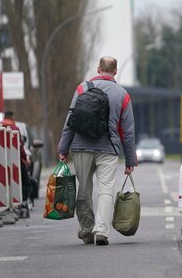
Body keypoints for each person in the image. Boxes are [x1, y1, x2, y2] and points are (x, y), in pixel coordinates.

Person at [58, 56, 137, 246]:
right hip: (108, 148)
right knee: (106, 190)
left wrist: (63, 147)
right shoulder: (122, 94)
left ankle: (87, 230)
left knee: (84, 190)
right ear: (115, 71)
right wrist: (130, 160)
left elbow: (71, 119)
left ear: (98, 69)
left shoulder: (82, 88)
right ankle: (102, 231)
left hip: (81, 146)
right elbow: (127, 131)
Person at [1, 110, 33, 205]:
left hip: (0, 160)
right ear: (12, 117)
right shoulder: (14, 128)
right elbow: (19, 146)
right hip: (15, 161)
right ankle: (22, 202)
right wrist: (25, 158)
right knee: (24, 181)